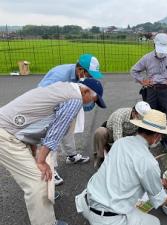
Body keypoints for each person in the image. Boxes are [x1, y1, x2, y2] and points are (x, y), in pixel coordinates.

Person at [0, 78, 106, 225]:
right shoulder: (75, 99)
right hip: (6, 134)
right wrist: (41, 160)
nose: (91, 104)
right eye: (94, 100)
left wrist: (33, 147)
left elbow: (39, 119)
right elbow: (56, 131)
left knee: (39, 178)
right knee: (37, 181)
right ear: (86, 91)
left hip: (10, 130)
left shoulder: (64, 87)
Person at [75, 109, 167, 225]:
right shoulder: (149, 162)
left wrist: (157, 181)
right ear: (157, 136)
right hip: (106, 218)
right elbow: (160, 200)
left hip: (86, 202)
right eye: (161, 136)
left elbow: (125, 171)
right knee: (155, 222)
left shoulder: (121, 142)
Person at [38, 53, 104, 185]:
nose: (89, 78)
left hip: (66, 105)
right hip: (48, 106)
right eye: (89, 74)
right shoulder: (59, 75)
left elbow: (84, 98)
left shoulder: (82, 78)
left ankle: (71, 155)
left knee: (68, 128)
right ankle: (50, 168)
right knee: (52, 135)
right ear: (80, 70)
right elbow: (41, 95)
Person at [130, 33, 167, 148]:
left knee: (166, 115)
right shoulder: (147, 58)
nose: (162, 52)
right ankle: (148, 139)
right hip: (151, 90)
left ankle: (164, 139)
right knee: (150, 115)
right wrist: (142, 81)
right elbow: (134, 70)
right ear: (154, 44)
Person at [93, 101, 151, 168]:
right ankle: (100, 156)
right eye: (140, 118)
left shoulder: (141, 118)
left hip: (130, 135)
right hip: (112, 133)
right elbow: (118, 139)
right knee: (100, 132)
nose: (141, 121)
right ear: (134, 112)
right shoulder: (120, 115)